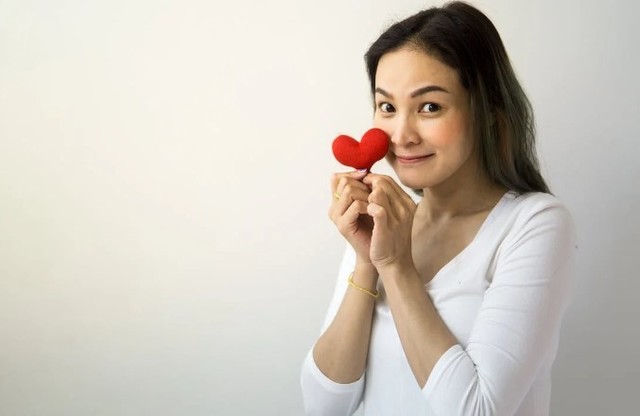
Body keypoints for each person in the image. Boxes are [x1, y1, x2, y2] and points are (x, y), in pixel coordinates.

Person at [300, 2, 576, 415]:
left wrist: (396, 266)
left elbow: (477, 409)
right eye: (387, 107)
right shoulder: (383, 221)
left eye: (429, 106)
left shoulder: (535, 224)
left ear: (487, 112)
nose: (402, 135)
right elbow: (322, 405)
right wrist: (366, 263)